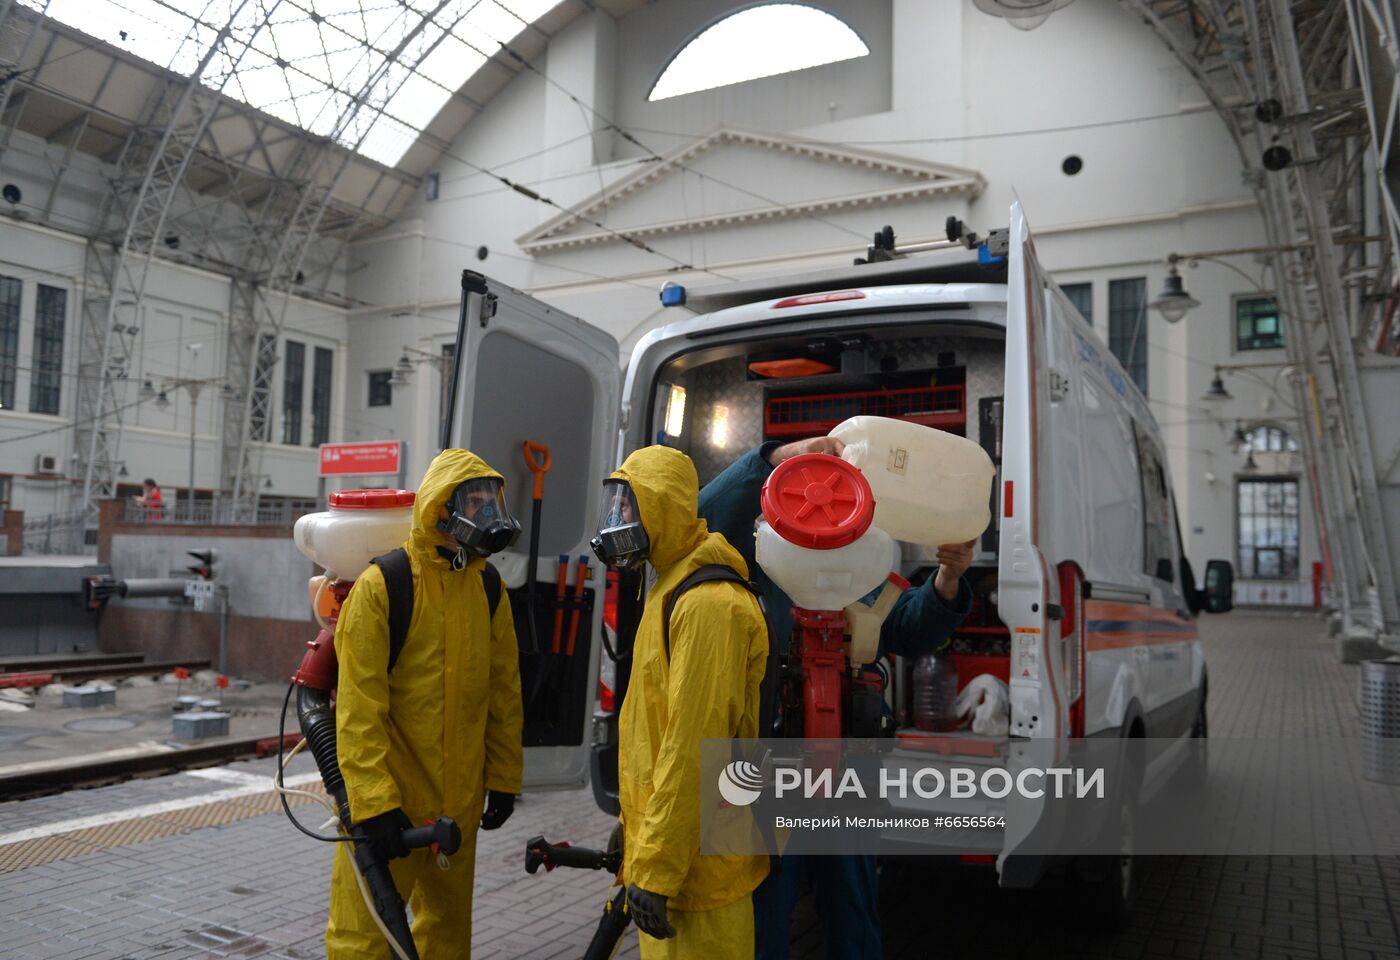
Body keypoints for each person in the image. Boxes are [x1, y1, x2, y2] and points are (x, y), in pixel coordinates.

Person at [698, 435, 976, 960]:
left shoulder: (864, 571)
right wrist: (771, 460)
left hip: (850, 770)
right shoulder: (755, 564)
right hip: (767, 768)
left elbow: (910, 628)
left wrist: (948, 578)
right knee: (764, 909)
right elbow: (703, 512)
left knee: (853, 910)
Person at [325, 448, 524, 958]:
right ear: (441, 507)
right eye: (474, 502)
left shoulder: (487, 586)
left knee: (447, 937)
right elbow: (358, 710)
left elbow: (503, 691)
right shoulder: (384, 586)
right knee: (364, 939)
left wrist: (503, 778)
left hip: (459, 806)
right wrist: (373, 805)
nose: (486, 513)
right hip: (393, 807)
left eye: (491, 502)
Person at [592, 445, 769, 960]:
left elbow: (694, 750)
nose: (617, 519)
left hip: (700, 877)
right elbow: (653, 737)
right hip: (675, 864)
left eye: (628, 505)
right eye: (616, 505)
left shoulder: (707, 605)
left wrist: (657, 868)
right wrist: (633, 831)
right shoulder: (669, 588)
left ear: (662, 508)